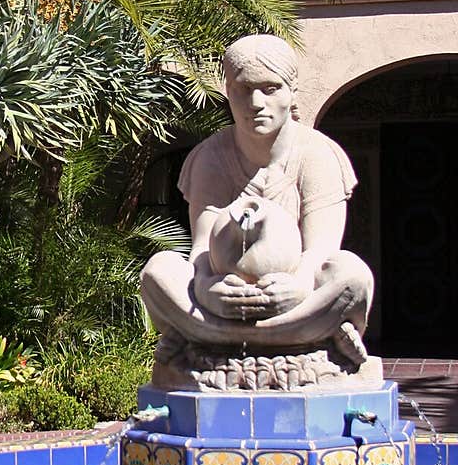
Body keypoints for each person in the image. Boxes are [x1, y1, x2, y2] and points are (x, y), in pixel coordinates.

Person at [139, 35, 376, 378]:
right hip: (225, 297)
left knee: (351, 274)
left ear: (292, 91)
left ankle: (195, 334)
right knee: (158, 271)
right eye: (242, 89)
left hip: (295, 292)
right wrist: (207, 287)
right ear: (227, 91)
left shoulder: (318, 154)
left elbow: (320, 251)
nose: (255, 102)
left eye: (270, 88)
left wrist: (296, 288)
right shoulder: (210, 157)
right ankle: (317, 332)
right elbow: (203, 248)